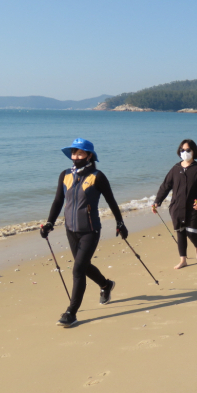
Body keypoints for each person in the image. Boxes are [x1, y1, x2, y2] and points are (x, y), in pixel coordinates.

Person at [41, 138, 128, 328]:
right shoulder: (65, 175)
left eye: (80, 153)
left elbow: (112, 201)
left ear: (89, 155)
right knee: (84, 266)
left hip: (90, 230)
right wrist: (49, 223)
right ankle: (106, 285)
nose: (76, 157)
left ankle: (71, 313)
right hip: (70, 230)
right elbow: (57, 202)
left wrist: (120, 223)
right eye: (74, 153)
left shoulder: (98, 176)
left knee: (78, 269)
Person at [153, 140, 197, 269]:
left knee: (191, 232)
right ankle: (183, 260)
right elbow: (165, 186)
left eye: (188, 150)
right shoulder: (175, 168)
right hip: (177, 206)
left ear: (194, 151)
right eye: (182, 150)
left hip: (193, 207)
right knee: (180, 232)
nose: (185, 152)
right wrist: (157, 201)